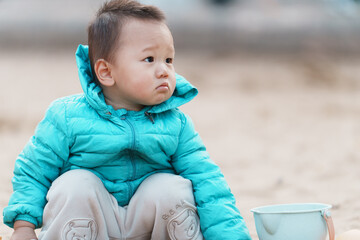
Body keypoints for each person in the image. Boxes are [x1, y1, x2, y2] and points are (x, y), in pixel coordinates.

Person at [3, 0, 252, 239]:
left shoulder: (176, 124)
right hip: (90, 225)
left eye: (168, 60)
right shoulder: (66, 116)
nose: (164, 70)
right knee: (74, 185)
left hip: (146, 224)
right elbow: (34, 171)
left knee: (172, 188)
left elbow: (209, 184)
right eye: (149, 59)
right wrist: (23, 226)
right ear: (106, 72)